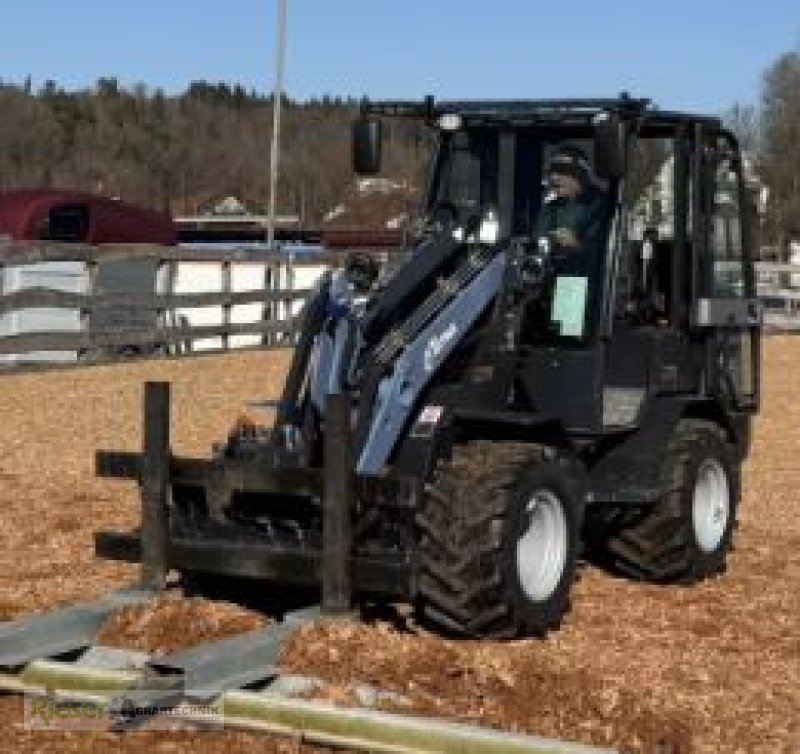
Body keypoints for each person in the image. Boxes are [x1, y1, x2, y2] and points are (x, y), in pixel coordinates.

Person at [534, 145, 608, 267]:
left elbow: (610, 256)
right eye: (552, 171)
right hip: (551, 278)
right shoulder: (549, 209)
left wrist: (576, 245)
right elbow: (536, 243)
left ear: (581, 175)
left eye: (562, 171)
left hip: (590, 280)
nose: (554, 177)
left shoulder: (602, 208)